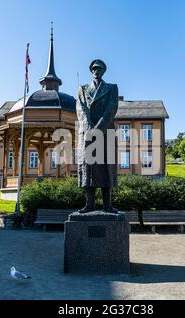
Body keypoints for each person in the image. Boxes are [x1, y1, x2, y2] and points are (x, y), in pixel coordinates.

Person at [76, 59, 119, 214]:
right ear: (91, 71)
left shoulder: (112, 88)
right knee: (88, 170)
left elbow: (111, 109)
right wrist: (90, 127)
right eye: (94, 69)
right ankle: (89, 205)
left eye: (99, 69)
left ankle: (107, 205)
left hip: (105, 131)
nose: (96, 71)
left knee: (106, 168)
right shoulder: (83, 89)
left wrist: (98, 126)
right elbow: (81, 109)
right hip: (87, 134)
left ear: (103, 71)